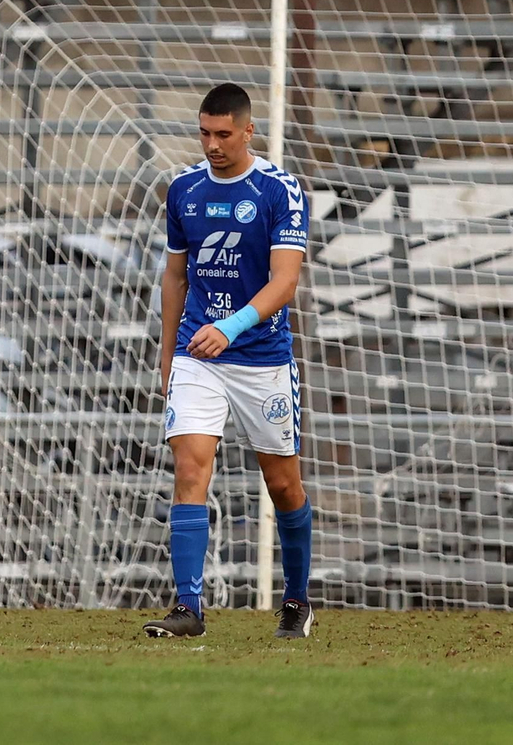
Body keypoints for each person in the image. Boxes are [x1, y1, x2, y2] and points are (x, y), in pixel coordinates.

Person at [143, 83, 314, 639]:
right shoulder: (184, 189)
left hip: (261, 357)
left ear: (247, 131)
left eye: (223, 134)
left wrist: (232, 325)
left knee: (284, 486)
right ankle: (189, 607)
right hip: (199, 353)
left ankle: (296, 601)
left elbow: (285, 281)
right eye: (204, 133)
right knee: (191, 470)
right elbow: (175, 275)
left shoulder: (279, 189)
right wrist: (168, 354)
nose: (212, 145)